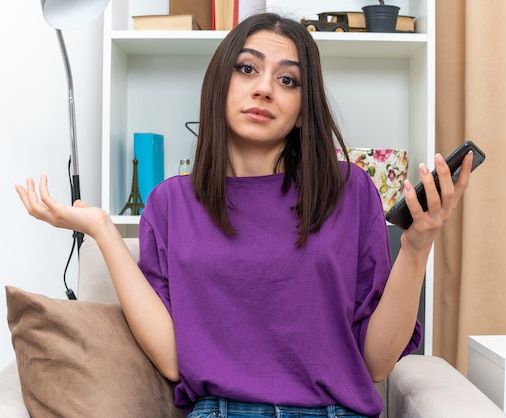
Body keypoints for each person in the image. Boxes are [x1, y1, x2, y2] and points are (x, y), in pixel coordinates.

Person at [16, 12, 473, 418]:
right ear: (220, 84)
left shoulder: (349, 190)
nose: (264, 88)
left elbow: (376, 362)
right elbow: (175, 360)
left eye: (288, 80)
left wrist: (417, 246)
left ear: (300, 111)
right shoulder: (170, 203)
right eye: (247, 68)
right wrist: (102, 230)